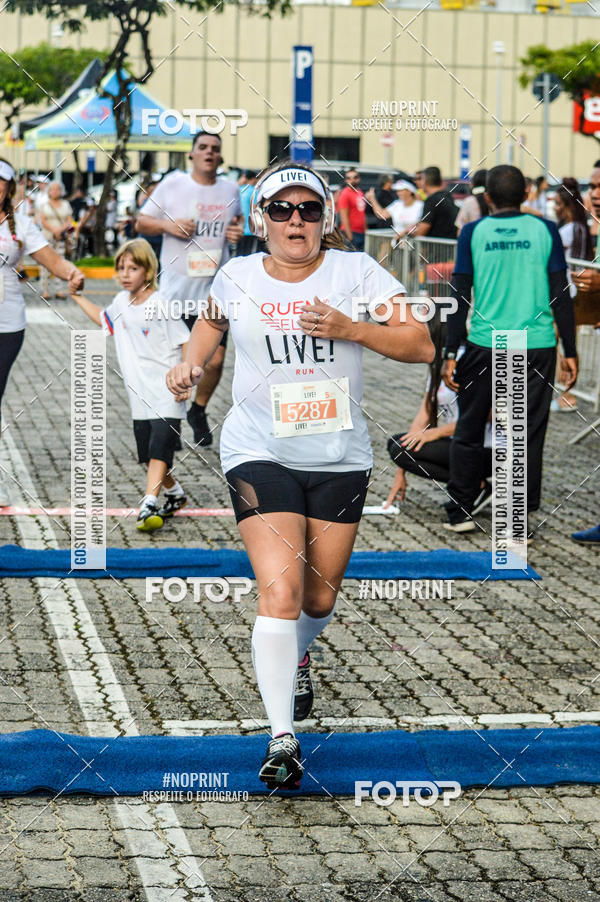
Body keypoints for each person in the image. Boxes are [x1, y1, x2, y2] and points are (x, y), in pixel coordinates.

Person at [165, 160, 434, 789]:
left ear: (324, 221)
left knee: (317, 598)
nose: (294, 220)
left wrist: (351, 328)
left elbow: (420, 344)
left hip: (340, 455)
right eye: (281, 210)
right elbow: (211, 323)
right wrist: (188, 363)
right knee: (280, 592)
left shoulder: (356, 272)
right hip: (259, 449)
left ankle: (299, 649)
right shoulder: (236, 275)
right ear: (261, 220)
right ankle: (282, 736)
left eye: (307, 210)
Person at [441, 164, 578, 532]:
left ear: (487, 198)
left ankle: (460, 510)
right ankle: (515, 520)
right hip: (534, 344)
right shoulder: (545, 230)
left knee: (468, 428)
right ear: (527, 195)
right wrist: (571, 349)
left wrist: (450, 352)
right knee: (524, 434)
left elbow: (459, 296)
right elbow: (560, 295)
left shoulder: (473, 232)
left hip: (486, 342)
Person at [68, 238, 190, 532]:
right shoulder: (121, 302)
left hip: (167, 391)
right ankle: (174, 494)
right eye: (121, 268)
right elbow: (104, 320)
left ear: (148, 271)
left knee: (160, 448)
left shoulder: (162, 305)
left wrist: (185, 378)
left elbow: (185, 341)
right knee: (147, 456)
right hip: (140, 394)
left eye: (132, 268)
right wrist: (77, 297)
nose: (125, 273)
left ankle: (148, 503)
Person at [136, 131, 243, 447]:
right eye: (203, 148)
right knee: (180, 363)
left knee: (216, 361)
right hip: (176, 292)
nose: (209, 153)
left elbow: (234, 225)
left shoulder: (230, 189)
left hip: (214, 291)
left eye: (215, 148)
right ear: (192, 154)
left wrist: (235, 232)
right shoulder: (173, 184)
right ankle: (171, 423)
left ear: (220, 157)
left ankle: (198, 410)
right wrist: (169, 226)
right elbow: (141, 222)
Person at [0, 158, 84, 507]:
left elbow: (52, 259)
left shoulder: (21, 224)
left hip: (8, 323)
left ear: (9, 187)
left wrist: (72, 273)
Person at [384, 315, 492, 512]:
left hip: (486, 447)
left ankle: (475, 485)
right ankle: (475, 485)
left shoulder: (467, 360)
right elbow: (424, 414)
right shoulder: (439, 365)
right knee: (397, 445)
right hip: (459, 444)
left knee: (400, 447)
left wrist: (435, 433)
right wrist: (402, 472)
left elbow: (488, 415)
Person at [551, 179, 594, 413]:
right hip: (574, 290)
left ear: (566, 204)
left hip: (567, 291)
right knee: (567, 342)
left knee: (562, 343)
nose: (555, 207)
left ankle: (566, 394)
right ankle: (566, 393)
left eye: (557, 203)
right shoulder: (582, 227)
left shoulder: (568, 230)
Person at [39, 181, 74, 300]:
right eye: (52, 189)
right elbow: (43, 221)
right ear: (49, 191)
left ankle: (59, 290)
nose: (55, 192)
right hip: (47, 237)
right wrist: (54, 230)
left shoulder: (65, 204)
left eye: (58, 189)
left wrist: (60, 230)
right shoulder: (44, 205)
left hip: (61, 238)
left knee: (60, 262)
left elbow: (69, 220)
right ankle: (45, 290)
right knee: (45, 263)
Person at [411, 166, 458, 239]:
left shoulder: (431, 200)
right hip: (449, 244)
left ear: (425, 181)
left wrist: (410, 235)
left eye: (420, 179)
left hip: (436, 247)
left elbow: (424, 228)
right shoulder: (447, 196)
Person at [336, 168, 367, 250]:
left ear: (359, 178)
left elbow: (362, 214)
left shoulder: (360, 192)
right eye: (349, 178)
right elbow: (343, 217)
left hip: (361, 233)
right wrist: (350, 237)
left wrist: (366, 231)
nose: (352, 180)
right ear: (346, 180)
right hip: (351, 233)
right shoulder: (345, 194)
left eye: (355, 177)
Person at [237, 170, 265, 256]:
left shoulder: (240, 190)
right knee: (248, 254)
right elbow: (256, 209)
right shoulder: (254, 191)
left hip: (240, 228)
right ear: (253, 179)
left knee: (239, 253)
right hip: (250, 229)